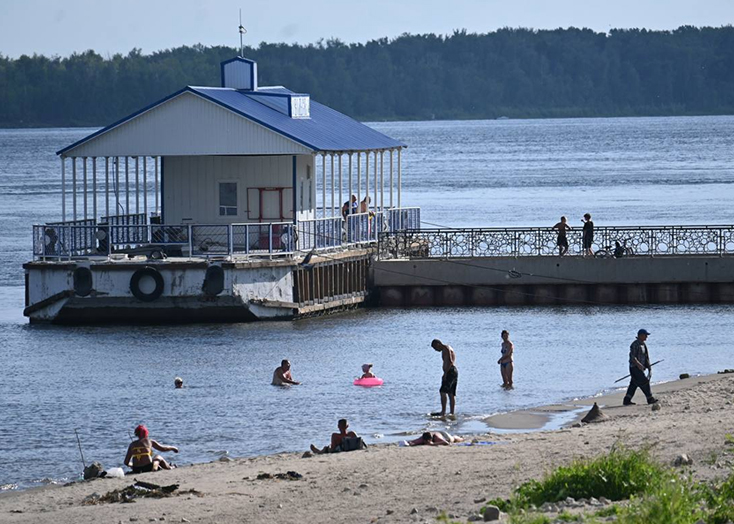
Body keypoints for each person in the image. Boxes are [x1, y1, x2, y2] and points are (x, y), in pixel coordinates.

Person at [623, 329, 658, 406]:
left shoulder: (643, 345)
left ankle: (627, 400)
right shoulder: (635, 344)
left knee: (634, 384)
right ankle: (650, 398)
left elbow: (646, 357)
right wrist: (639, 365)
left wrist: (648, 366)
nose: (646, 337)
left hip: (640, 368)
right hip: (634, 368)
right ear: (640, 335)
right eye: (645, 335)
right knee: (645, 382)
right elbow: (632, 357)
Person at [431, 339, 458, 418]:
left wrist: (445, 374)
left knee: (442, 391)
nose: (436, 350)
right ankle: (451, 413)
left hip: (450, 371)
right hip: (453, 371)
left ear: (438, 344)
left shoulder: (446, 348)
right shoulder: (447, 348)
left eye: (435, 348)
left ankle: (443, 412)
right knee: (451, 393)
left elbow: (450, 361)